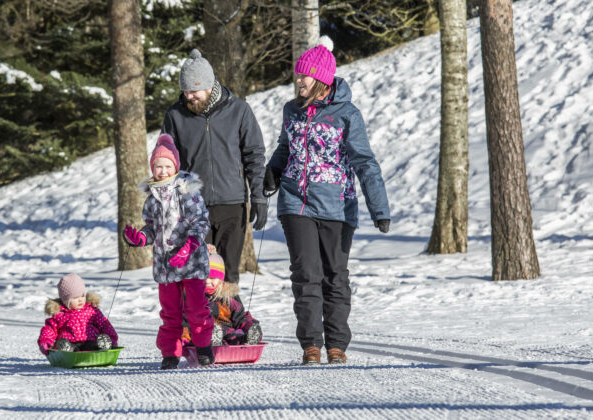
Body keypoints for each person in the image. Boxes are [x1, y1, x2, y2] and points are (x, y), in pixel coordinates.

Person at [264, 37, 391, 366]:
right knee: (306, 274)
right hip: (295, 202)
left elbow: (364, 161)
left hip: (337, 205)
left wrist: (379, 208)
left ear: (320, 77)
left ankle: (337, 344)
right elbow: (284, 147)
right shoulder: (291, 109)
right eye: (297, 76)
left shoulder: (347, 114)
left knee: (335, 275)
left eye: (303, 76)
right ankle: (311, 346)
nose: (298, 81)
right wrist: (273, 171)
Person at [161, 48, 267, 294]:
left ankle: (232, 326)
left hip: (233, 204)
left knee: (227, 275)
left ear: (209, 86)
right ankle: (202, 330)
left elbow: (254, 155)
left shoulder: (239, 110)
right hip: (194, 207)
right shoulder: (175, 115)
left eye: (194, 90)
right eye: (186, 90)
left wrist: (259, 196)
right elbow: (166, 160)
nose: (189, 96)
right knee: (200, 274)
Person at [122, 133, 215, 369]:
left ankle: (203, 348)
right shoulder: (152, 198)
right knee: (170, 313)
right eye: (157, 166)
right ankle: (170, 354)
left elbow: (201, 222)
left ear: (175, 166)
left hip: (191, 263)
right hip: (166, 266)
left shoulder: (187, 191)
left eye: (167, 166)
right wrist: (141, 237)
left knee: (196, 310)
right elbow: (152, 228)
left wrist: (189, 247)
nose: (162, 171)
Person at [182, 247, 262, 347]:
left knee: (235, 335)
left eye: (212, 278)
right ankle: (211, 338)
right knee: (189, 333)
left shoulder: (227, 299)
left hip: (226, 333)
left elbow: (241, 317)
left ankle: (250, 337)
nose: (207, 281)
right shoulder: (191, 300)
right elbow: (184, 320)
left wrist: (249, 326)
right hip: (199, 335)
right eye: (203, 277)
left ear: (220, 280)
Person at [37, 273, 118, 355]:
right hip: (71, 344)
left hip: (90, 342)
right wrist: (46, 342)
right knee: (63, 344)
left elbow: (104, 325)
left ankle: (103, 347)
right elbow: (49, 330)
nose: (80, 300)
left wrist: (112, 338)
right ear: (65, 300)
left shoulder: (92, 310)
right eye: (75, 298)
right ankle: (66, 350)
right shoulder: (59, 314)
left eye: (82, 296)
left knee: (94, 345)